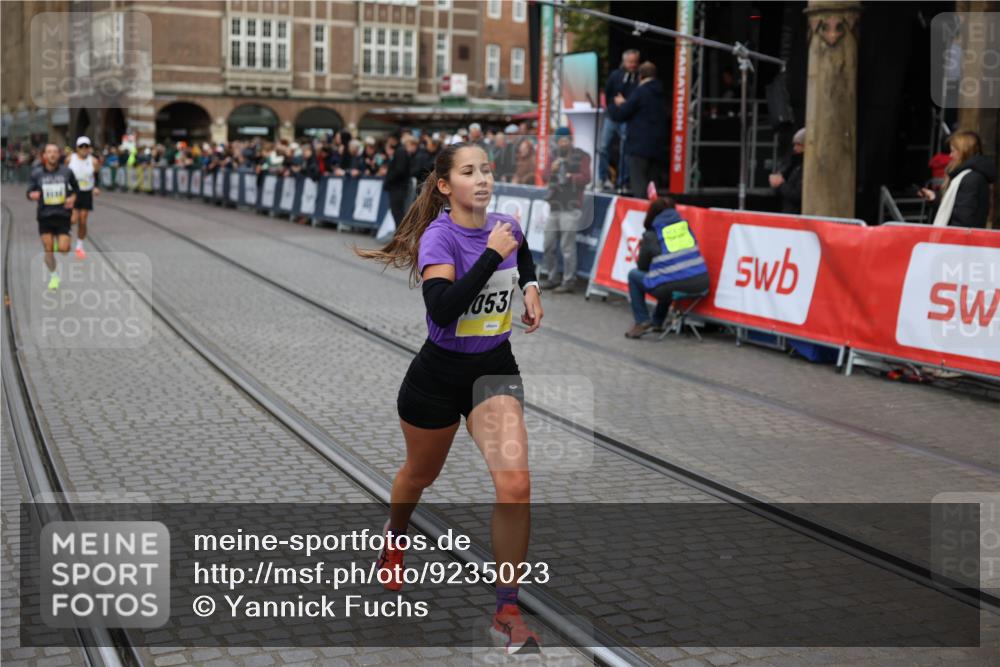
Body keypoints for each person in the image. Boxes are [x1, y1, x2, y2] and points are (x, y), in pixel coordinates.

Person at [355, 142, 543, 655]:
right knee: (419, 476)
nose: (482, 179)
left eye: (486, 170)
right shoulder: (439, 237)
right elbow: (442, 310)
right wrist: (491, 255)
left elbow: (522, 252)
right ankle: (395, 537)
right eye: (468, 171)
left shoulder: (506, 225)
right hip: (437, 377)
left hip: (493, 370)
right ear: (444, 186)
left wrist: (530, 285)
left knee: (516, 484)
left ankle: (507, 612)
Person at [625, 195, 710, 338]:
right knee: (666, 277)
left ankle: (642, 321)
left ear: (652, 214)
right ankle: (657, 322)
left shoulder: (651, 235)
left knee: (634, 276)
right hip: (701, 284)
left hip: (674, 285)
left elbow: (643, 267)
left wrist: (643, 248)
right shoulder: (685, 228)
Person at [539, 126, 591, 293]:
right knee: (548, 244)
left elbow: (586, 178)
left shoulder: (582, 156)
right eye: (560, 140)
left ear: (570, 140)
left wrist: (570, 176)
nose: (562, 143)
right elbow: (544, 176)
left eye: (565, 140)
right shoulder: (553, 156)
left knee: (567, 247)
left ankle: (568, 280)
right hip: (555, 205)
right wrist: (552, 170)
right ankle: (552, 277)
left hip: (571, 205)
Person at [608, 61, 669, 198]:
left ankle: (642, 209)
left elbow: (623, 113)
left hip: (639, 145)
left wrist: (618, 104)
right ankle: (654, 208)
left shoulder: (640, 92)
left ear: (640, 76)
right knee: (653, 186)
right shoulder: (661, 92)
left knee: (639, 182)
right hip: (657, 145)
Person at [918, 130, 996, 228]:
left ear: (964, 152)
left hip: (959, 236)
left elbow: (962, 221)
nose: (950, 155)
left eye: (953, 151)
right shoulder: (970, 176)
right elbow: (956, 208)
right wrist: (935, 198)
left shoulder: (970, 179)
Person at [27, 143, 79, 290]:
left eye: (55, 152)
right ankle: (54, 276)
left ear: (59, 155)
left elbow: (76, 190)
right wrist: (32, 195)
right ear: (44, 155)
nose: (52, 154)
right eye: (49, 152)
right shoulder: (36, 173)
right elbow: (29, 192)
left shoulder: (67, 172)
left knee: (64, 249)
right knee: (48, 249)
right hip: (45, 216)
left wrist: (73, 200)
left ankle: (59, 243)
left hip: (63, 216)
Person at [599, 49, 640, 191]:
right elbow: (608, 93)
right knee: (603, 147)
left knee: (625, 151)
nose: (633, 65)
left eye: (635, 62)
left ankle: (623, 181)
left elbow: (637, 99)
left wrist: (625, 103)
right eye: (630, 62)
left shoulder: (638, 78)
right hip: (612, 116)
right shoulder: (615, 75)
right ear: (624, 61)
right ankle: (604, 178)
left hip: (626, 119)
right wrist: (611, 106)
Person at [65, 136, 100, 259]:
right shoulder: (70, 159)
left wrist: (96, 187)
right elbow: (64, 173)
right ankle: (63, 234)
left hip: (86, 192)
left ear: (89, 148)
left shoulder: (94, 161)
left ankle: (79, 246)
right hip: (72, 191)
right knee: (73, 219)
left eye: (86, 146)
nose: (84, 149)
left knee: (83, 220)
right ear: (77, 148)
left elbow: (96, 175)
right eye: (81, 146)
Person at [769, 127, 805, 214]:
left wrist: (781, 184)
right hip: (789, 212)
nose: (795, 148)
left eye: (799, 144)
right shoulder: (795, 163)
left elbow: (797, 195)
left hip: (798, 215)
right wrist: (778, 182)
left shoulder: (805, 168)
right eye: (794, 145)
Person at [386, 135, 417, 224]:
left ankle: (400, 232)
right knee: (398, 212)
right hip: (400, 186)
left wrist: (389, 179)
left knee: (398, 212)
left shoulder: (401, 152)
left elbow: (400, 170)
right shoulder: (403, 152)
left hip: (398, 187)